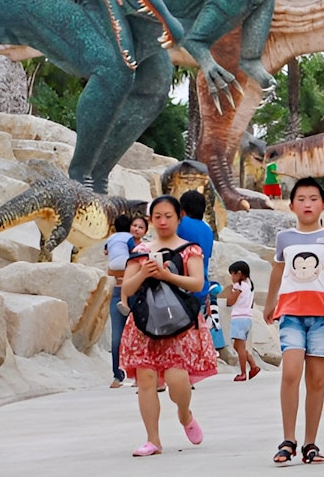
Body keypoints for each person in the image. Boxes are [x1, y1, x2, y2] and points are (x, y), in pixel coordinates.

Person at [264, 177, 324, 465]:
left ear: (323, 205)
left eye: (313, 198)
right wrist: (270, 304)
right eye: (301, 198)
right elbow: (278, 273)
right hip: (291, 314)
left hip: (322, 316)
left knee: (316, 380)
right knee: (290, 373)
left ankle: (310, 443)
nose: (307, 203)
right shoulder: (284, 238)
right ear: (291, 205)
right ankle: (287, 440)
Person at [120, 195, 217, 457]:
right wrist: (143, 273)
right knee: (146, 378)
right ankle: (153, 439)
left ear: (178, 218)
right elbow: (127, 289)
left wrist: (167, 276)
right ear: (151, 219)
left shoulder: (190, 249)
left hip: (179, 323)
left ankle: (185, 414)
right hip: (144, 323)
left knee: (177, 381)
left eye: (168, 216)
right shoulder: (140, 252)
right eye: (158, 216)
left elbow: (197, 283)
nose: (163, 221)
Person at [176, 190, 225, 356]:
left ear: (182, 208)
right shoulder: (207, 230)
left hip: (181, 284)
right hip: (201, 285)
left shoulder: (181, 225)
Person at [105, 214, 135, 387]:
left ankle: (125, 375)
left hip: (126, 291)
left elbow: (109, 264)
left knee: (125, 336)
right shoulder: (130, 241)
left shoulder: (111, 239)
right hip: (123, 291)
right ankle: (123, 374)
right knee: (121, 337)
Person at [227, 260, 261, 382]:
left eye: (232, 274)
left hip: (238, 318)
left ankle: (242, 373)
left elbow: (230, 302)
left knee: (240, 347)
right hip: (247, 317)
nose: (231, 277)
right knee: (238, 346)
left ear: (239, 273)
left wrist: (229, 293)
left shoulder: (238, 286)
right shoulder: (249, 285)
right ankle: (253, 365)